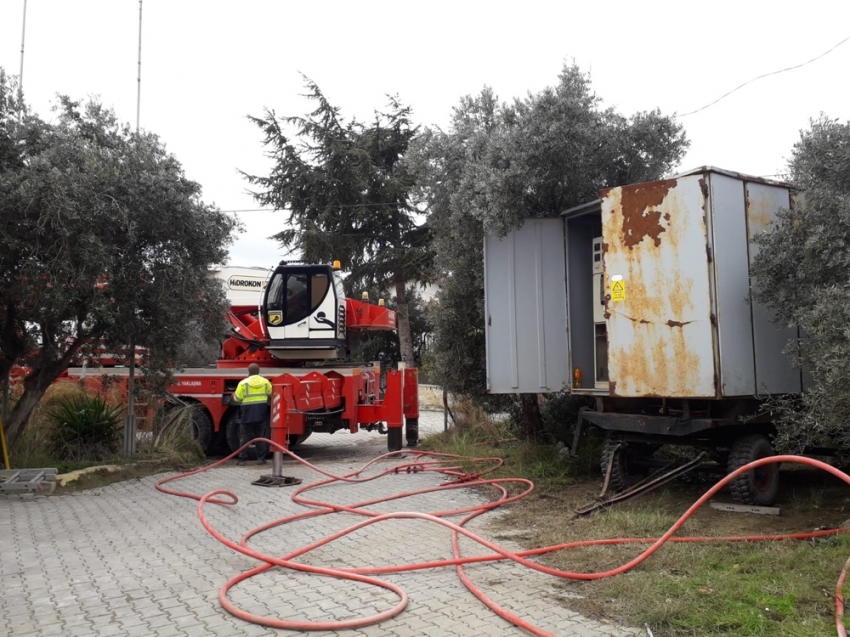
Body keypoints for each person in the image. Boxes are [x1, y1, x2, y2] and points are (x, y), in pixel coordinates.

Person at [233, 363, 272, 465]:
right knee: (260, 437)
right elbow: (270, 393)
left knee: (245, 437)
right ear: (259, 371)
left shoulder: (243, 383)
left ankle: (242, 459)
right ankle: (261, 459)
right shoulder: (265, 382)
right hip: (261, 413)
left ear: (248, 371)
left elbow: (237, 399)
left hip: (247, 414)